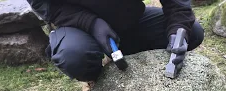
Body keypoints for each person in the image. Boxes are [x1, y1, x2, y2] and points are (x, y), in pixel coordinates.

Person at [26, 0, 204, 84]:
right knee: (74, 57)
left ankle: (122, 50)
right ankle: (96, 81)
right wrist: (90, 23)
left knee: (192, 32)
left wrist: (178, 28)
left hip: (128, 20)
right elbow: (43, 3)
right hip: (77, 25)